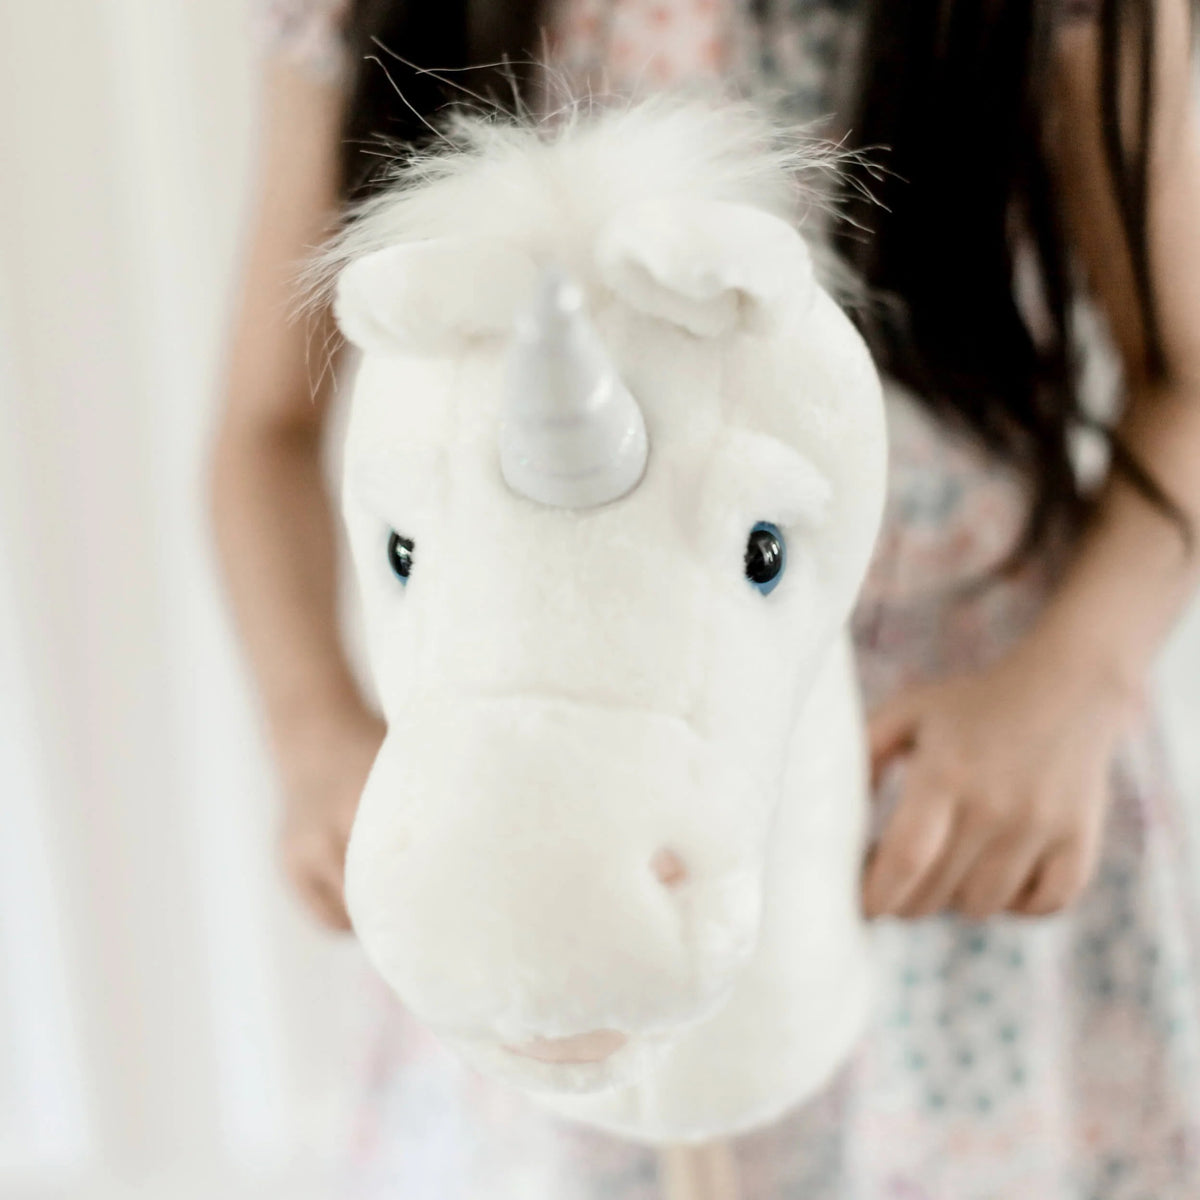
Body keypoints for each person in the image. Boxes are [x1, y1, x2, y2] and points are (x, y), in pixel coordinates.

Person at [210, 0, 1200, 1194]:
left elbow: (1186, 377)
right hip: (552, 811)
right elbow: (264, 432)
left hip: (953, 799)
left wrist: (1071, 687)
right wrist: (315, 732)